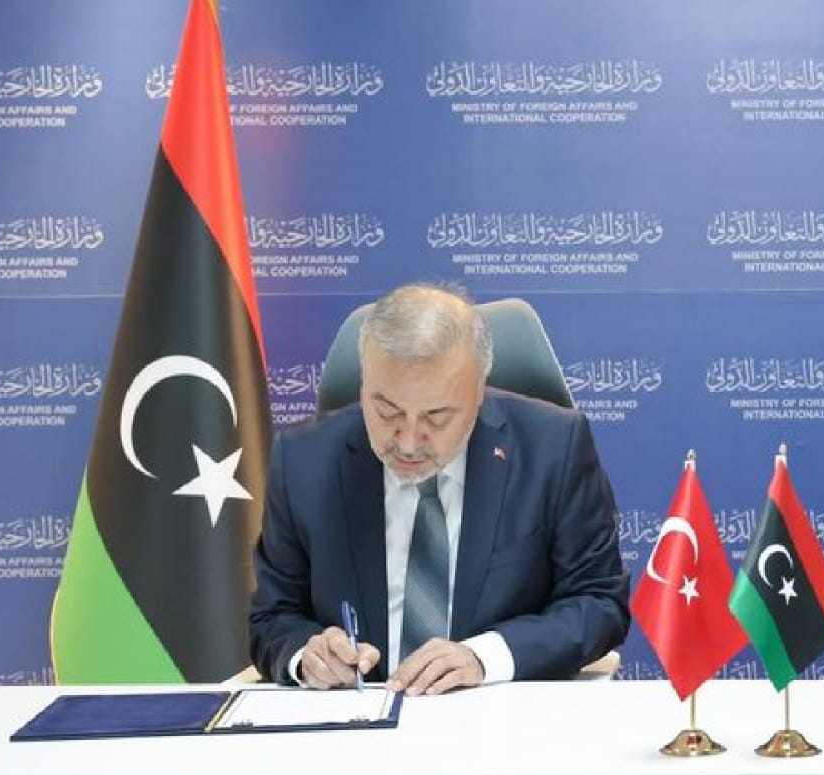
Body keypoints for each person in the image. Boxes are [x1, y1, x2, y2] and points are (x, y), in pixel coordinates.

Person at [249, 283, 630, 693]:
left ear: (478, 393)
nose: (409, 442)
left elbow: (599, 602)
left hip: (497, 711)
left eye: (437, 416)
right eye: (387, 411)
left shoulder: (553, 448)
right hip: (361, 713)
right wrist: (307, 657)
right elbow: (272, 617)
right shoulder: (304, 460)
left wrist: (483, 657)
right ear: (363, 385)